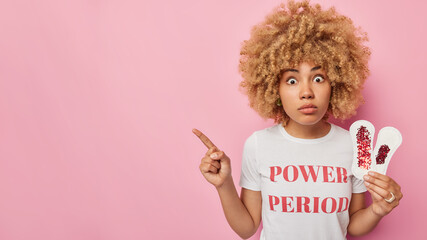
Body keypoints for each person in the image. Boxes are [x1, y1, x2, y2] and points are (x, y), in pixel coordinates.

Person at [192, 1, 402, 239]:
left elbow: (352, 225)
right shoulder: (259, 144)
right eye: (292, 80)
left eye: (319, 78)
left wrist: (377, 209)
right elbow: (247, 227)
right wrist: (224, 184)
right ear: (274, 89)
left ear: (336, 83)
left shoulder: (353, 145)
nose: (306, 92)